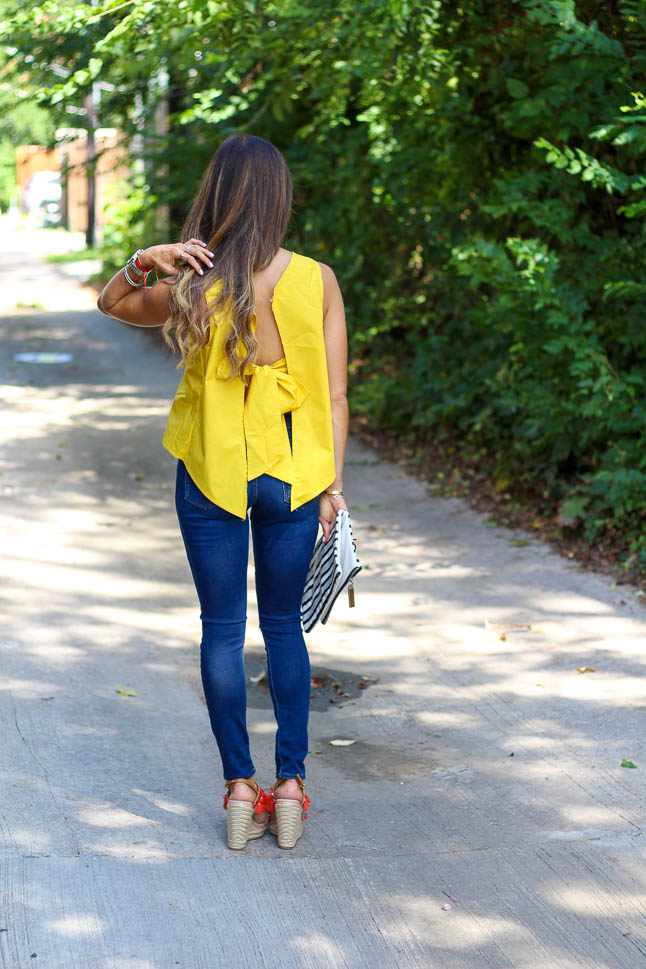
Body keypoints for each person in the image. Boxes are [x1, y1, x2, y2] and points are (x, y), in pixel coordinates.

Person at [97, 134, 349, 850]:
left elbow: (112, 301)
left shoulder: (193, 283)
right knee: (282, 629)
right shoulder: (317, 280)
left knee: (219, 628)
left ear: (218, 196)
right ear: (279, 197)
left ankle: (242, 787)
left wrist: (147, 258)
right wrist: (333, 486)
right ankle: (292, 786)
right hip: (293, 475)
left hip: (211, 471)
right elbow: (333, 394)